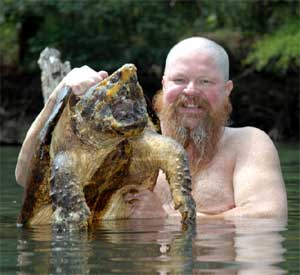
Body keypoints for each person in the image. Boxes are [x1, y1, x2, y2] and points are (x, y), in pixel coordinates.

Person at [15, 37, 287, 220]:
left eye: (205, 81)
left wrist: (166, 217)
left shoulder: (249, 143)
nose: (191, 92)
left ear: (227, 90)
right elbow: (26, 178)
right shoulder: (128, 140)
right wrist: (58, 96)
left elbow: (266, 216)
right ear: (164, 84)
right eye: (180, 80)